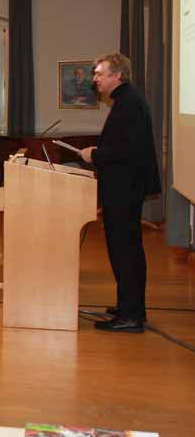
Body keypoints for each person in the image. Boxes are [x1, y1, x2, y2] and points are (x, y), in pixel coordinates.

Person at [79, 53, 160, 333]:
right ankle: (131, 306)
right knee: (128, 250)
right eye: (95, 74)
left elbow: (128, 151)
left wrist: (95, 154)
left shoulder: (129, 104)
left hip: (125, 188)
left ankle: (130, 316)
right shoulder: (127, 100)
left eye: (100, 74)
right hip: (125, 187)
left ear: (117, 75)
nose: (95, 79)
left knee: (124, 251)